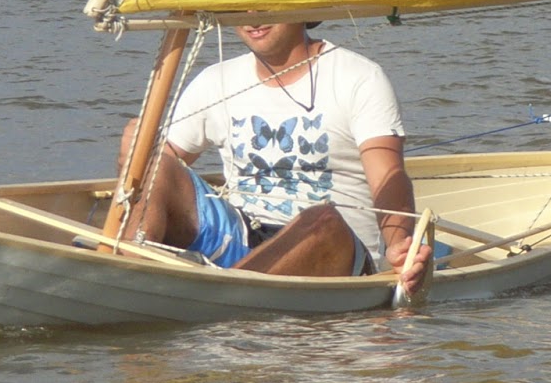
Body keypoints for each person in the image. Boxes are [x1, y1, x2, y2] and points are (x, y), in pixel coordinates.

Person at [119, 22, 432, 294]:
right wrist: (136, 156)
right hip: (244, 239)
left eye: (266, 3)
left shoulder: (360, 78)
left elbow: (388, 178)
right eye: (242, 6)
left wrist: (398, 244)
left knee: (321, 217)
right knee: (148, 154)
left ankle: (219, 299)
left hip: (333, 245)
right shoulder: (215, 80)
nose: (254, 15)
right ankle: (125, 275)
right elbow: (159, 179)